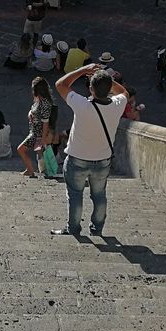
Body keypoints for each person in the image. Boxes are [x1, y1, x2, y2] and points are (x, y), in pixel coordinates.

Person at [52, 65, 129, 238]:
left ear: (90, 89)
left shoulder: (81, 104)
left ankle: (73, 229)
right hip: (102, 160)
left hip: (77, 159)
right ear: (109, 89)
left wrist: (83, 70)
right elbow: (124, 92)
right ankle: (97, 229)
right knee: (100, 195)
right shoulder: (117, 104)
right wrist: (108, 80)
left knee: (75, 195)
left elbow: (60, 84)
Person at [17, 76, 55, 178]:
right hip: (34, 131)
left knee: (21, 149)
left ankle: (30, 169)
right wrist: (30, 114)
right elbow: (32, 110)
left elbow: (45, 122)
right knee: (40, 155)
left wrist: (43, 138)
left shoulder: (45, 103)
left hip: (37, 134)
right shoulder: (38, 100)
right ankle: (38, 170)